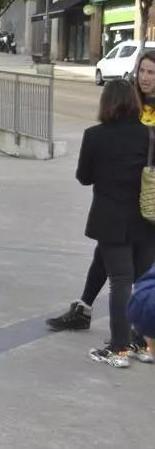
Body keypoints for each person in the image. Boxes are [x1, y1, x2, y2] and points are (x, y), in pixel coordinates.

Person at [46, 50, 155, 345]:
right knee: (109, 257)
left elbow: (86, 173)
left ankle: (128, 339)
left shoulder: (107, 130)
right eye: (142, 71)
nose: (145, 78)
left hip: (141, 206)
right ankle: (88, 310)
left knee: (128, 274)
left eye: (152, 73)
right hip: (131, 212)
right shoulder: (139, 115)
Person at [68, 80, 155, 368]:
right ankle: (142, 343)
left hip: (110, 218)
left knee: (120, 282)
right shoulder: (149, 136)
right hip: (145, 219)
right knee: (144, 282)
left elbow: (84, 176)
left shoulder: (94, 135)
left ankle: (118, 348)